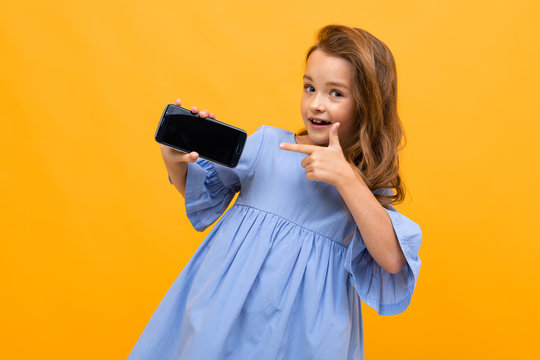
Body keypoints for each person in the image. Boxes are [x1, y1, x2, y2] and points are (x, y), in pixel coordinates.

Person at [127, 24, 422, 360]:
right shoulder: (268, 145)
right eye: (310, 88)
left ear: (368, 105)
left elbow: (392, 259)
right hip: (224, 312)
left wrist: (347, 179)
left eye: (335, 93)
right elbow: (201, 195)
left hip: (305, 336)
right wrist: (174, 161)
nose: (316, 105)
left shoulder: (364, 187)